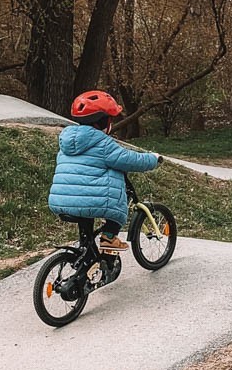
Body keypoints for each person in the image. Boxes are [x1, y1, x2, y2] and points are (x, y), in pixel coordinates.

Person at [48, 90, 161, 250]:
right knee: (116, 207)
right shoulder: (103, 143)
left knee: (85, 212)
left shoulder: (66, 142)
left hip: (61, 201)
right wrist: (153, 159)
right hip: (92, 202)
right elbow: (130, 160)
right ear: (104, 122)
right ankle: (108, 238)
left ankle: (86, 256)